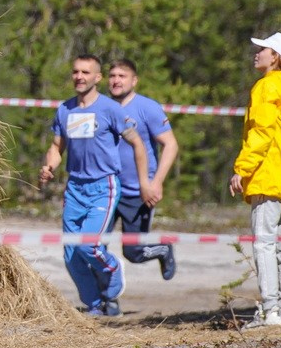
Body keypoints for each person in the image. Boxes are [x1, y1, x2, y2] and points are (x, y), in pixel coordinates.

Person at [39, 54, 152, 317]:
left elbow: (137, 143)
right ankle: (94, 306)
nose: (79, 77)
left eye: (86, 72)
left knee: (88, 246)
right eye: (76, 72)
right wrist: (49, 167)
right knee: (71, 255)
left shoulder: (110, 109)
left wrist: (145, 181)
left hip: (104, 187)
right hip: (75, 188)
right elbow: (57, 147)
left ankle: (112, 272)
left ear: (97, 78)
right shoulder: (65, 109)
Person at [228, 32, 281, 328]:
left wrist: (243, 168)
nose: (256, 53)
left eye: (261, 49)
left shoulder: (266, 87)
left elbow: (260, 133)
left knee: (265, 244)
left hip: (267, 176)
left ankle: (271, 311)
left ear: (275, 56)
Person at [106, 59, 179, 281]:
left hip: (138, 192)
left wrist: (156, 182)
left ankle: (163, 249)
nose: (116, 80)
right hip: (107, 191)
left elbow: (171, 145)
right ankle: (107, 298)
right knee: (93, 247)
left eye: (122, 76)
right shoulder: (103, 107)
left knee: (133, 252)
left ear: (134, 80)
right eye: (113, 76)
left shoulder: (148, 108)